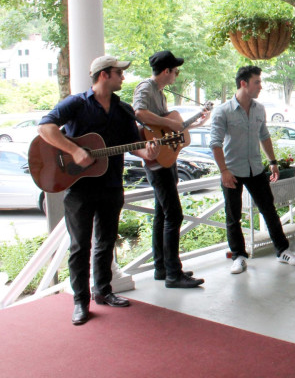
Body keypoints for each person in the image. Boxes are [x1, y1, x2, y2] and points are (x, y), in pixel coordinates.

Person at [38, 55, 160, 325]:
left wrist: (148, 151)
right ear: (104, 75)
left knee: (106, 242)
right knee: (80, 246)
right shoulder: (77, 104)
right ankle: (80, 302)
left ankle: (103, 291)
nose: (123, 77)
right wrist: (74, 150)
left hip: (112, 185)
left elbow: (133, 144)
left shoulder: (123, 109)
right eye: (119, 73)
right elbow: (45, 127)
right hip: (79, 187)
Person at [210, 65, 295, 273]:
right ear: (244, 84)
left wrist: (273, 161)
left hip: (256, 169)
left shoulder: (259, 109)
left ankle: (283, 251)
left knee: (269, 210)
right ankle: (239, 256)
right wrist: (223, 170)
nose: (260, 86)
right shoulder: (222, 111)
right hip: (232, 170)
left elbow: (264, 136)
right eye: (257, 82)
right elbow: (215, 144)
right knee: (233, 216)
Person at [133, 50, 207, 288]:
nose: (177, 74)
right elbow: (140, 113)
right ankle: (174, 274)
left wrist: (192, 123)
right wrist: (169, 122)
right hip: (156, 162)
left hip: (166, 159)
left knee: (162, 214)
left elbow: (167, 128)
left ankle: (162, 267)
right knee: (174, 214)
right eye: (175, 71)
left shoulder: (160, 93)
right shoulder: (146, 87)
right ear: (166, 71)